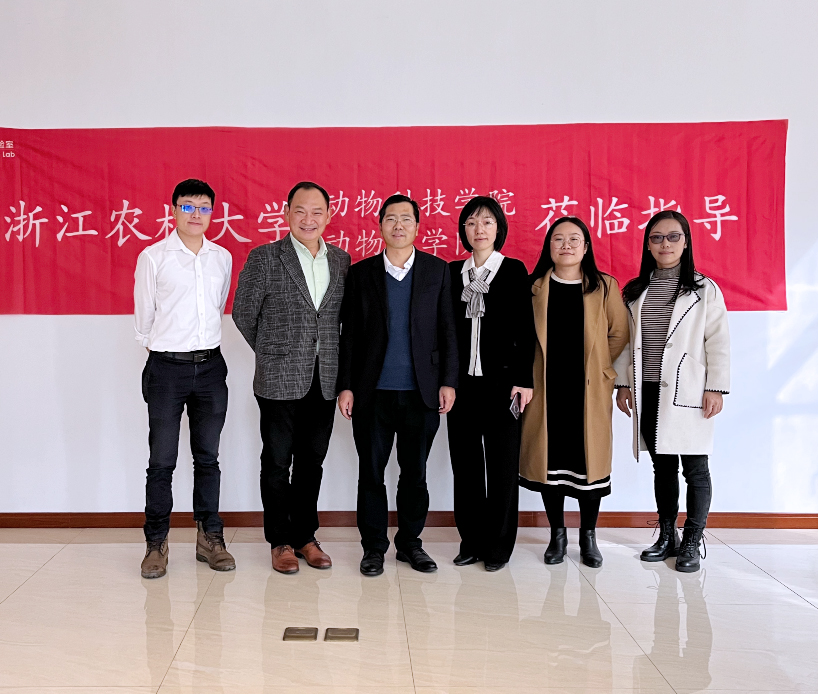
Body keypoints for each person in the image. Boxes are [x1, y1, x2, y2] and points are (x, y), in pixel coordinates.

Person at [233, 181, 351, 574]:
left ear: (329, 216)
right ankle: (279, 541)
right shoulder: (265, 257)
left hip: (325, 378)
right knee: (277, 462)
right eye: (300, 211)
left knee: (312, 462)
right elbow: (243, 314)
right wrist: (274, 353)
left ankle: (305, 537)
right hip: (278, 378)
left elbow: (340, 319)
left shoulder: (341, 261)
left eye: (317, 211)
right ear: (286, 214)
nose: (308, 219)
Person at [337, 194, 458, 577]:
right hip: (371, 393)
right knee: (371, 473)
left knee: (414, 473)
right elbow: (349, 334)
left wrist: (448, 381)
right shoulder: (361, 273)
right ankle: (373, 548)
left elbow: (448, 329)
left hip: (422, 392)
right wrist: (346, 385)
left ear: (418, 226)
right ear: (380, 226)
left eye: (406, 218)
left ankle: (410, 544)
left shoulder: (437, 271)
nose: (399, 225)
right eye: (391, 218)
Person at [614, 210, 729, 573]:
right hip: (648, 390)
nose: (665, 244)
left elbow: (718, 341)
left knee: (695, 468)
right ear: (648, 245)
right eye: (657, 238)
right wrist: (623, 383)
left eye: (673, 236)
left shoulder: (704, 289)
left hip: (690, 390)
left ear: (686, 242)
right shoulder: (636, 290)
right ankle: (668, 536)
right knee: (662, 467)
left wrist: (715, 387)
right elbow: (626, 342)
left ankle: (692, 541)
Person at [134, 178, 235, 579]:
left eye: (204, 207)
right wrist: (167, 354)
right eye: (188, 206)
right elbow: (144, 321)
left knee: (208, 458)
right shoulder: (153, 257)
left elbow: (218, 307)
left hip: (211, 367)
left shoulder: (222, 258)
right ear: (173, 210)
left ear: (213, 213)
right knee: (162, 461)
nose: (196, 214)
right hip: (166, 370)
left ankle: (210, 538)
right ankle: (156, 544)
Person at [520, 216, 629, 568]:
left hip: (588, 390)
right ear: (549, 246)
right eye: (558, 239)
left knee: (589, 467)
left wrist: (600, 366)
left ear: (586, 247)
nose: (565, 245)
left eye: (573, 239)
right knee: (549, 464)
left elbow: (619, 332)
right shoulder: (534, 286)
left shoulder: (604, 286)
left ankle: (588, 537)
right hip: (546, 389)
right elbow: (521, 336)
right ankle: (557, 535)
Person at [447, 195, 535, 572]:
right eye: (471, 222)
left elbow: (525, 329)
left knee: (502, 469)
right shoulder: (453, 272)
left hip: (503, 387)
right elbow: (445, 331)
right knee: (466, 468)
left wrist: (524, 380)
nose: (478, 229)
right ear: (463, 230)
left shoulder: (512, 270)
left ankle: (499, 547)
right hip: (462, 388)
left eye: (486, 222)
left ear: (498, 228)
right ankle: (471, 541)